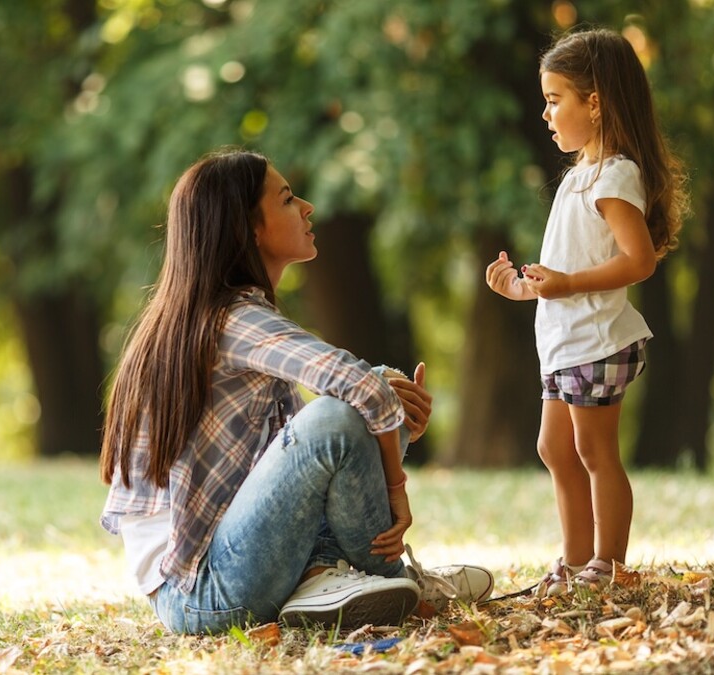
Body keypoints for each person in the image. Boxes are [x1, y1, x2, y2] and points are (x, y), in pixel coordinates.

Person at [100, 148, 493, 635]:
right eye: (287, 200)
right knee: (341, 413)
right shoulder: (232, 320)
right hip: (200, 591)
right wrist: (397, 490)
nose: (307, 207)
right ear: (250, 229)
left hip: (226, 564)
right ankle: (392, 580)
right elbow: (349, 396)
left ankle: (324, 576)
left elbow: (306, 446)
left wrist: (385, 400)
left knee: (376, 384)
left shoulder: (214, 315)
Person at [485, 28, 686, 595]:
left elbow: (638, 261)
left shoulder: (616, 175)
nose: (546, 113)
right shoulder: (580, 175)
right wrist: (524, 288)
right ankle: (574, 562)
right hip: (567, 340)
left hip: (598, 341)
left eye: (555, 99)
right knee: (553, 447)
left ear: (594, 102)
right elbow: (565, 272)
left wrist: (568, 282)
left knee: (595, 450)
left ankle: (608, 563)